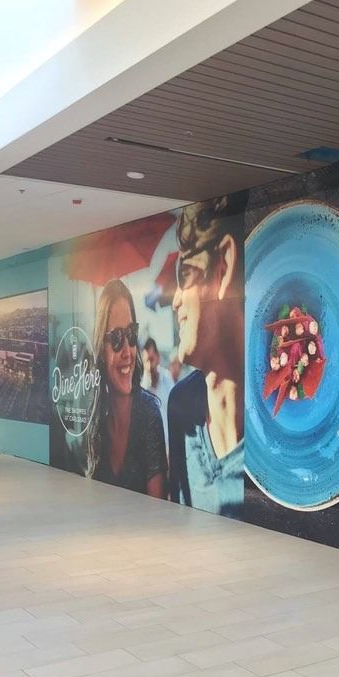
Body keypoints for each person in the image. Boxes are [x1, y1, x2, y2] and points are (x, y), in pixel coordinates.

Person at [168, 191, 247, 513]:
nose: (174, 301)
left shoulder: (276, 418)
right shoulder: (181, 405)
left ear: (224, 266)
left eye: (184, 275)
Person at [86, 279, 167, 498]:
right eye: (116, 339)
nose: (127, 352)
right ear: (101, 350)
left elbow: (157, 511)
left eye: (131, 334)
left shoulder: (149, 414)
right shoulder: (94, 419)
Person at [142, 336, 174, 445]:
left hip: (169, 448)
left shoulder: (167, 380)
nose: (149, 365)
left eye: (151, 359)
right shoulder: (141, 387)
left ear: (158, 357)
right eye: (146, 361)